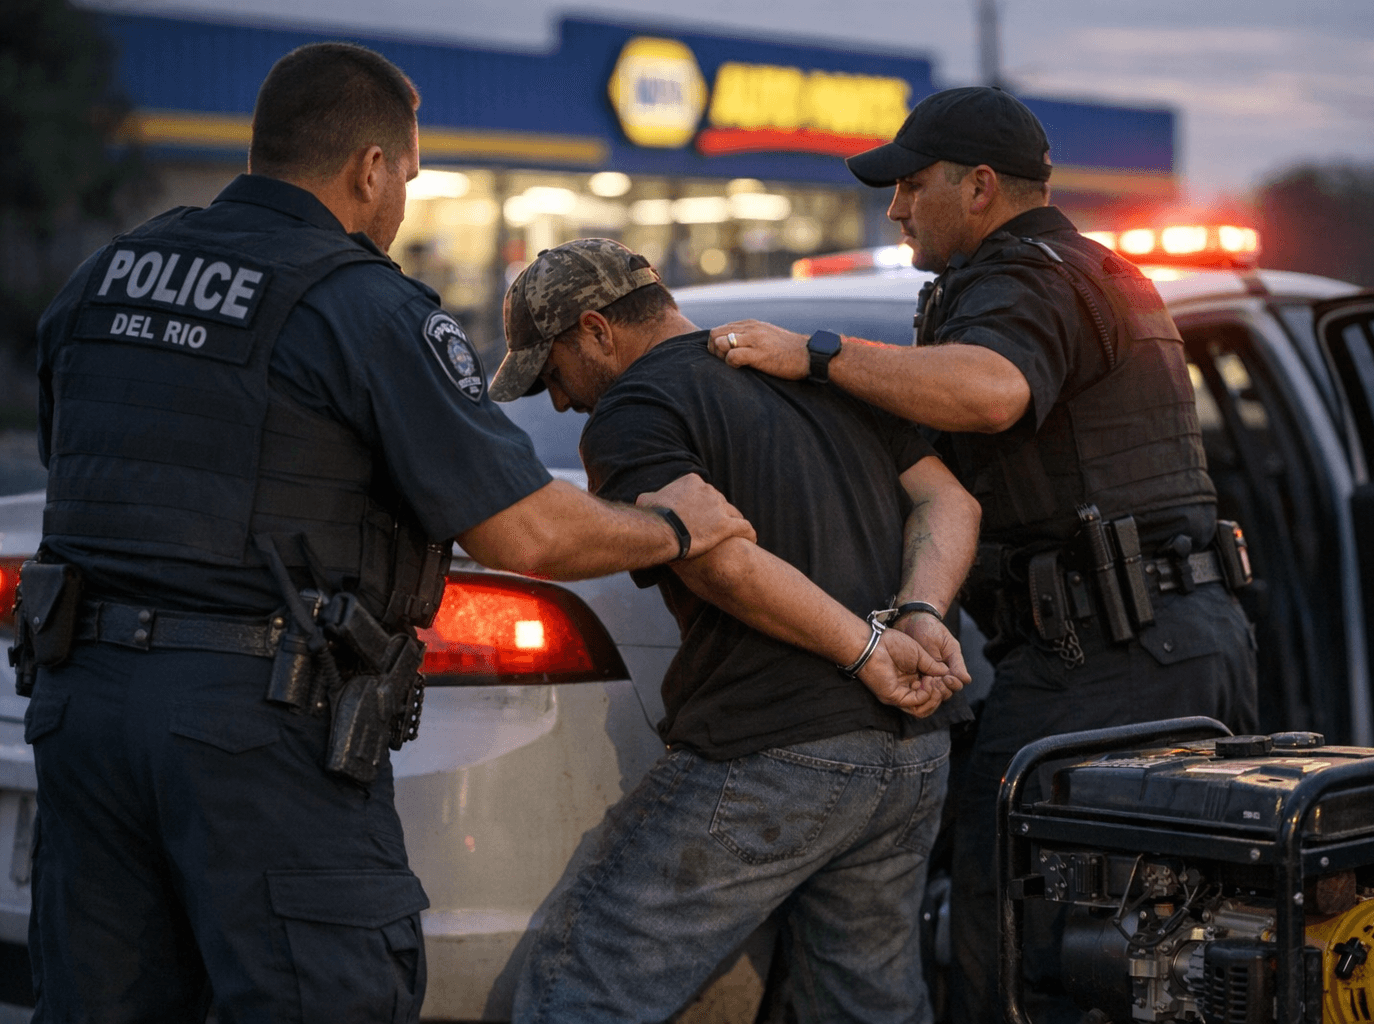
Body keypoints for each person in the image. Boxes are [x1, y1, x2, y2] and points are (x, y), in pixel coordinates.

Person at [20, 43, 754, 1024]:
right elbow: (524, 531)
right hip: (256, 729)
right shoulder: (358, 303)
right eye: (407, 174)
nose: (403, 200)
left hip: (82, 713)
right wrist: (671, 523)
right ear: (371, 167)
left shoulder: (106, 276)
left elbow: (77, 468)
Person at [705, 86, 1260, 1024]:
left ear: (980, 187)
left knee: (1028, 963)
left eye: (911, 185)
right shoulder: (1095, 269)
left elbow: (994, 389)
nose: (894, 207)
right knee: (1176, 954)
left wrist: (818, 355)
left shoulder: (1021, 277)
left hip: (1103, 663)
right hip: (1180, 642)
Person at [485, 237, 982, 1023]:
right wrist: (915, 615)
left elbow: (721, 560)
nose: (556, 400)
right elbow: (952, 502)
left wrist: (867, 649)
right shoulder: (807, 372)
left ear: (595, 330)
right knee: (867, 1006)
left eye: (551, 372)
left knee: (581, 987)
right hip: (912, 752)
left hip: (774, 749)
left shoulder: (635, 407)